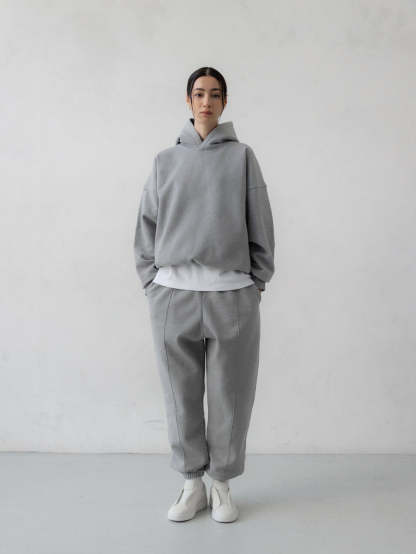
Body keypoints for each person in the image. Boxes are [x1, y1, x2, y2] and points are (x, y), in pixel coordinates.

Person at [133, 66, 276, 523]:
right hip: (172, 297)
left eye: (215, 94)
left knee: (230, 395)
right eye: (199, 94)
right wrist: (151, 283)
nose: (207, 102)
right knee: (180, 396)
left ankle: (222, 485)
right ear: (188, 100)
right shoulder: (165, 161)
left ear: (225, 102)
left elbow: (260, 222)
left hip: (231, 297)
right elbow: (146, 225)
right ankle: (191, 484)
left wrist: (256, 282)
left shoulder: (242, 157)